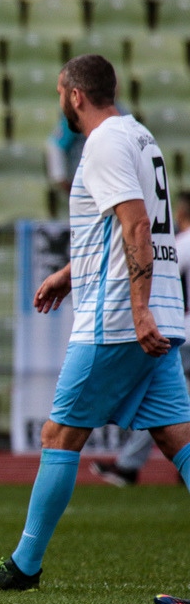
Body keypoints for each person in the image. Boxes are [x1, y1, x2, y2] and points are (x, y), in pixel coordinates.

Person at [0, 54, 190, 591]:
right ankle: (24, 564)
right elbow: (122, 228)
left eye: (61, 93)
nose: (60, 102)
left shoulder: (102, 143)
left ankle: (24, 565)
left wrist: (138, 308)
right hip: (158, 309)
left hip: (118, 318)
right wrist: (69, 272)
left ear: (73, 95)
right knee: (179, 439)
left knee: (60, 433)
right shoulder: (139, 135)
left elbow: (134, 228)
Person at [89, 191, 190, 486]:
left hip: (181, 328)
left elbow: (158, 279)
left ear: (180, 214)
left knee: (159, 399)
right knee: (169, 402)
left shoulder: (180, 245)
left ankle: (129, 465)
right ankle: (132, 464)